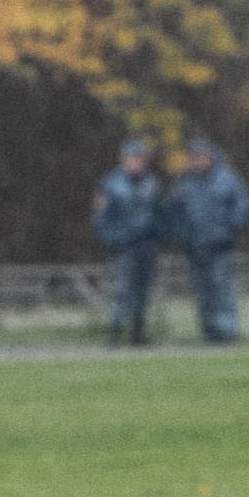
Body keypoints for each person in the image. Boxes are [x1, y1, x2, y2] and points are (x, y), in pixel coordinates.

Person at [163, 138, 249, 344]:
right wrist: (182, 236)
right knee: (203, 292)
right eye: (193, 158)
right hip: (194, 247)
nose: (197, 161)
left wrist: (231, 230)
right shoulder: (183, 185)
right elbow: (173, 212)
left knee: (224, 289)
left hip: (222, 245)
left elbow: (241, 206)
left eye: (201, 157)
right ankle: (209, 332)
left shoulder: (227, 179)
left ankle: (228, 332)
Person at [92, 139, 162, 346]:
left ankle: (138, 333)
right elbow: (101, 215)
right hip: (124, 245)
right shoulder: (110, 184)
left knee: (143, 289)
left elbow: (160, 212)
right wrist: (110, 238)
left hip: (146, 244)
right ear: (123, 159)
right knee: (122, 289)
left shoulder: (152, 183)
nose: (135, 162)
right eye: (132, 158)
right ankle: (115, 331)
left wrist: (158, 234)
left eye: (139, 158)